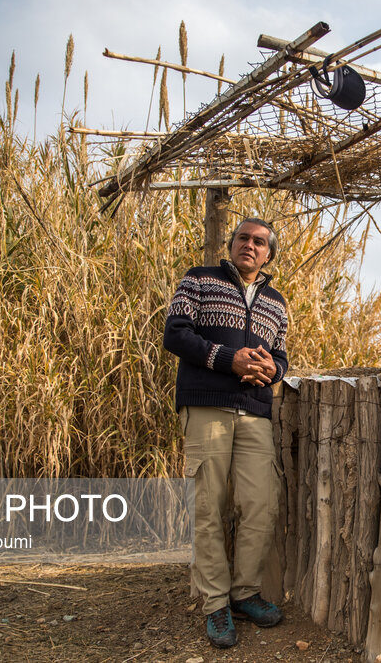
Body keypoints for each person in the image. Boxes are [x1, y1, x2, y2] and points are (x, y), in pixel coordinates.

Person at [163, 217, 289, 649]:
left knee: (260, 503)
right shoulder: (199, 280)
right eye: (243, 239)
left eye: (258, 242)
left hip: (255, 411)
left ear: (269, 253)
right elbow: (175, 334)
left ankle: (245, 593)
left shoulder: (276, 302)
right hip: (207, 404)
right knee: (208, 506)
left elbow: (282, 356)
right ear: (232, 244)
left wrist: (274, 369)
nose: (249, 246)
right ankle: (215, 603)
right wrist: (227, 359)